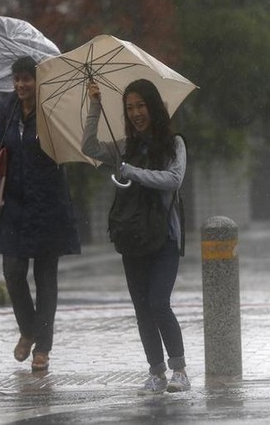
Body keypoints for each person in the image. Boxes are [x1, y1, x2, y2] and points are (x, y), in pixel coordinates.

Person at [82, 79, 190, 394]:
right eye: (129, 108)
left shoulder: (174, 144)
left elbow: (173, 179)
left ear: (153, 106)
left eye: (141, 105)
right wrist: (95, 106)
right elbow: (89, 147)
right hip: (132, 236)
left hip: (164, 237)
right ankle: (156, 372)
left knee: (158, 302)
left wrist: (132, 172)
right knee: (141, 306)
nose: (136, 113)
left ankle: (179, 369)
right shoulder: (124, 147)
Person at [0, 56, 81, 371]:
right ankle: (28, 329)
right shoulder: (8, 112)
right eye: (18, 79)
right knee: (12, 271)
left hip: (49, 203)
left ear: (38, 82)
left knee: (45, 277)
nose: (22, 84)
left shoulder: (52, 112)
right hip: (15, 204)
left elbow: (70, 148)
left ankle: (43, 348)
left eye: (28, 78)